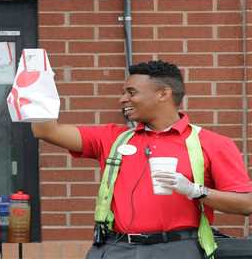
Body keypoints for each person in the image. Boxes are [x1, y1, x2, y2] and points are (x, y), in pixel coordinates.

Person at [31, 60, 252, 259]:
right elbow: (46, 131)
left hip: (179, 250)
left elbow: (246, 204)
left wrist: (196, 191)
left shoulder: (213, 143)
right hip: (115, 249)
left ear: (163, 94)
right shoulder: (112, 138)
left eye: (131, 92)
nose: (123, 99)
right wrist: (38, 81)